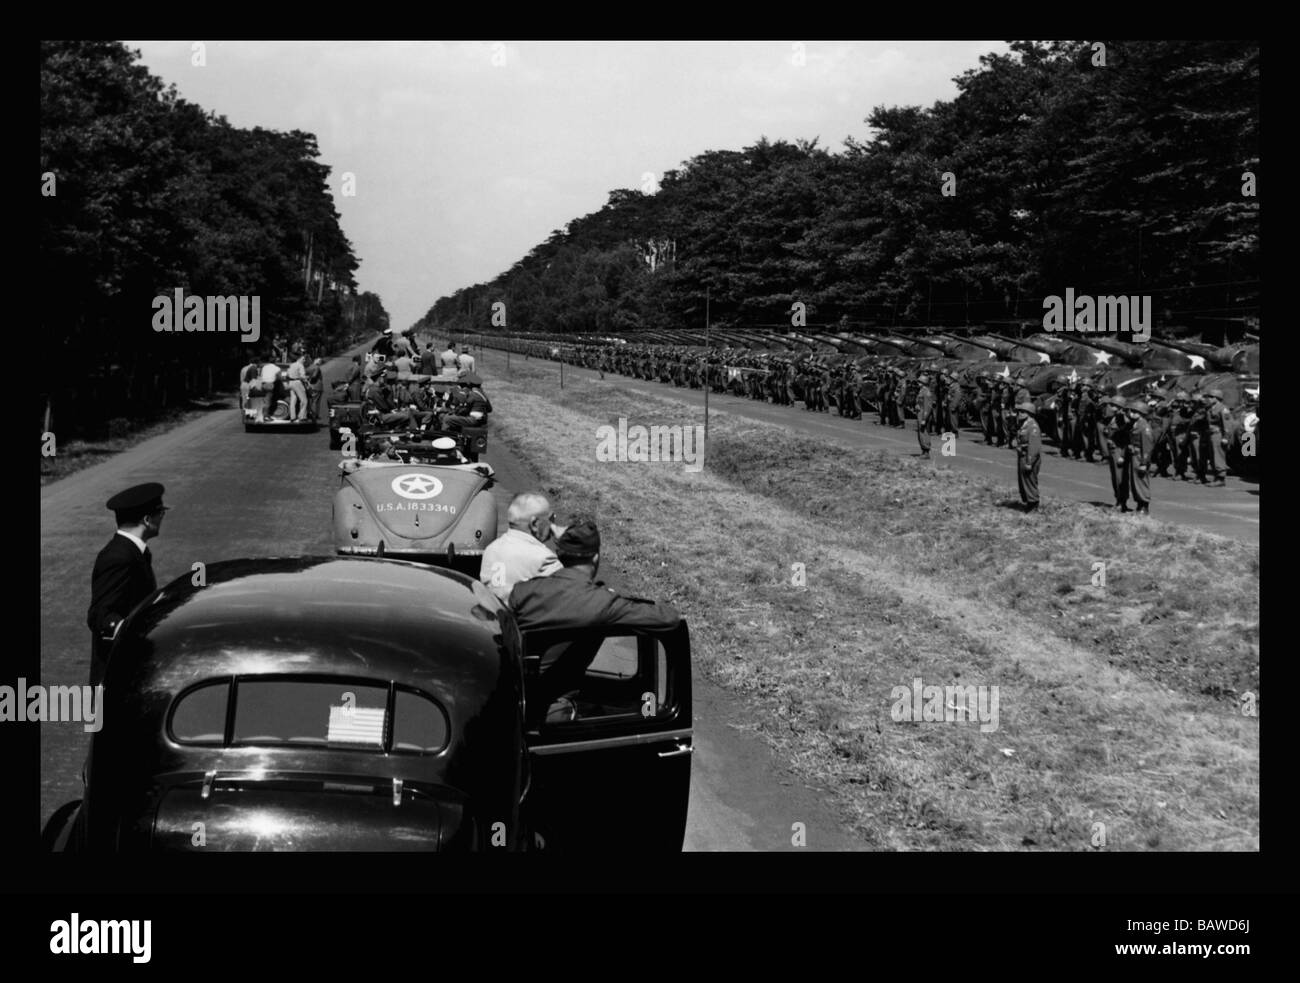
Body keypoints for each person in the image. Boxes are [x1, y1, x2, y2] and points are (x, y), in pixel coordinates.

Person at [508, 520, 682, 717]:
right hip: (555, 711)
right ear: (596, 558)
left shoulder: (521, 592)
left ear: (560, 556)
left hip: (513, 703)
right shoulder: (602, 602)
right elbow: (669, 619)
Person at [86, 483, 169, 686]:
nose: (162, 518)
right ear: (147, 520)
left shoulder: (134, 551)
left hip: (126, 672)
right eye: (160, 513)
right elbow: (100, 615)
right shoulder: (119, 557)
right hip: (113, 677)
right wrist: (133, 634)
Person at [479, 492, 563, 602]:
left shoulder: (491, 549)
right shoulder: (544, 558)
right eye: (550, 519)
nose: (552, 525)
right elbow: (565, 598)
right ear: (534, 523)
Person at [1011, 401, 1042, 511]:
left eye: (1023, 412)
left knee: (1030, 481)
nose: (1020, 414)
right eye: (1019, 412)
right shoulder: (1023, 424)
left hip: (1029, 457)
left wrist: (1029, 462)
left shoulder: (1032, 427)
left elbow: (1034, 447)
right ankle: (1028, 501)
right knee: (1023, 480)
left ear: (1030, 413)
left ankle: (1033, 503)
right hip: (1022, 456)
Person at [1125, 400, 1154, 514]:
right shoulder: (1135, 424)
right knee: (1135, 481)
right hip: (1134, 455)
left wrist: (1144, 463)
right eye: (1131, 411)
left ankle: (1144, 506)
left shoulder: (1144, 427)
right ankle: (1139, 505)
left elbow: (1147, 447)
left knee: (1141, 481)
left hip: (1140, 457)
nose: (1131, 413)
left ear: (1141, 413)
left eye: (1135, 411)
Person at [915, 372, 934, 458]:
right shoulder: (922, 391)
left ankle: (926, 451)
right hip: (920, 413)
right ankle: (923, 450)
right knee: (921, 433)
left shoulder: (926, 392)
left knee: (924, 432)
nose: (918, 383)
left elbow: (928, 407)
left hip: (923, 414)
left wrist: (924, 419)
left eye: (919, 382)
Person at [286, 353, 309, 421]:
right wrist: (307, 379)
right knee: (304, 400)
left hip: (290, 383)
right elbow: (302, 376)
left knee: (293, 400)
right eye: (303, 359)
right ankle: (302, 416)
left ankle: (292, 416)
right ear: (299, 359)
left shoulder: (291, 365)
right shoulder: (300, 365)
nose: (304, 360)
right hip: (297, 382)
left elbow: (287, 374)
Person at [306, 357, 324, 423]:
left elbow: (305, 374)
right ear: (316, 361)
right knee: (317, 402)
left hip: (310, 386)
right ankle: (315, 414)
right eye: (319, 361)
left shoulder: (309, 367)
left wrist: (307, 381)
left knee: (310, 400)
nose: (320, 362)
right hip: (317, 386)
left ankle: (309, 412)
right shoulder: (317, 367)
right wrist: (310, 380)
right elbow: (314, 376)